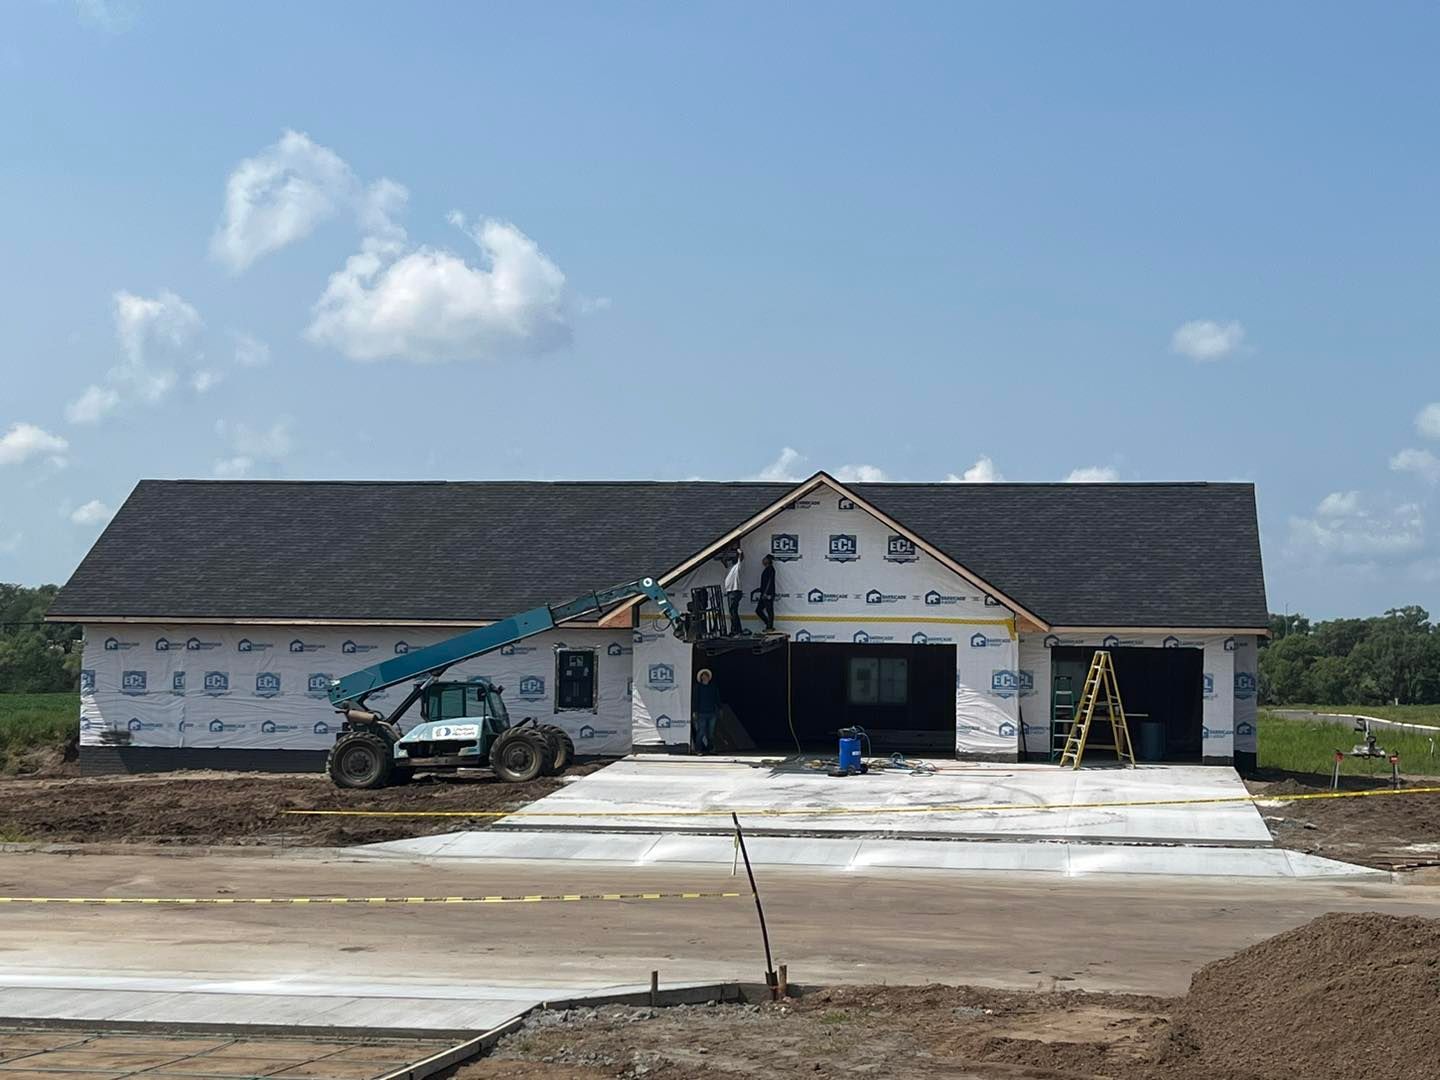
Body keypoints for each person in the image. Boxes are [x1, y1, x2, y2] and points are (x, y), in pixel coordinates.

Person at [693, 668, 720, 754]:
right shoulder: (698, 687)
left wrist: (720, 708)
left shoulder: (713, 687)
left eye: (706, 676)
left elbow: (717, 698)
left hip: (712, 712)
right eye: (703, 676)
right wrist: (695, 711)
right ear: (701, 678)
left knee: (711, 733)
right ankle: (698, 749)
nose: (705, 677)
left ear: (709, 677)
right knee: (701, 732)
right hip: (701, 713)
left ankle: (711, 749)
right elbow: (695, 699)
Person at [723, 550, 745, 635]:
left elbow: (741, 557)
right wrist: (725, 553)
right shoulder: (729, 567)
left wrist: (739, 552)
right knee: (733, 612)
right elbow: (724, 561)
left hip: (735, 592)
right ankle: (736, 629)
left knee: (733, 611)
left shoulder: (737, 566)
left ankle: (735, 630)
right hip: (730, 592)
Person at [755, 554, 776, 632]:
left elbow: (769, 582)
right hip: (764, 593)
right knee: (758, 610)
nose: (763, 560)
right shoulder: (766, 569)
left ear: (768, 560)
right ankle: (768, 624)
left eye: (764, 559)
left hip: (768, 594)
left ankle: (769, 627)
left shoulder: (770, 569)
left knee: (769, 610)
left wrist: (766, 593)